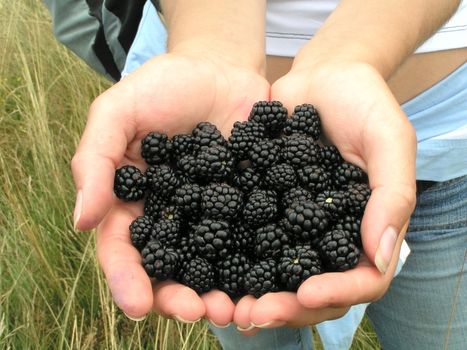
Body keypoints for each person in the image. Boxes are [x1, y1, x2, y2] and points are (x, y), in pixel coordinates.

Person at [44, 0, 467, 349]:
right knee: (251, 320)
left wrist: (351, 53)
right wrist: (210, 48)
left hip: (444, 129)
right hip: (194, 88)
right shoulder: (210, 184)